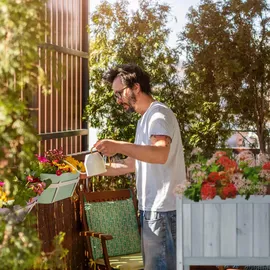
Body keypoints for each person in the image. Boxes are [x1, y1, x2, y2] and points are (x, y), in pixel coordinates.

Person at [94, 63, 186, 270]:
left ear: (136, 87)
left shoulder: (158, 115)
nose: (118, 100)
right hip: (152, 210)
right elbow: (132, 164)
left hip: (163, 210)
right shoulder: (144, 120)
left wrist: (118, 145)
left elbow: (160, 153)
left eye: (120, 93)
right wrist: (90, 172)